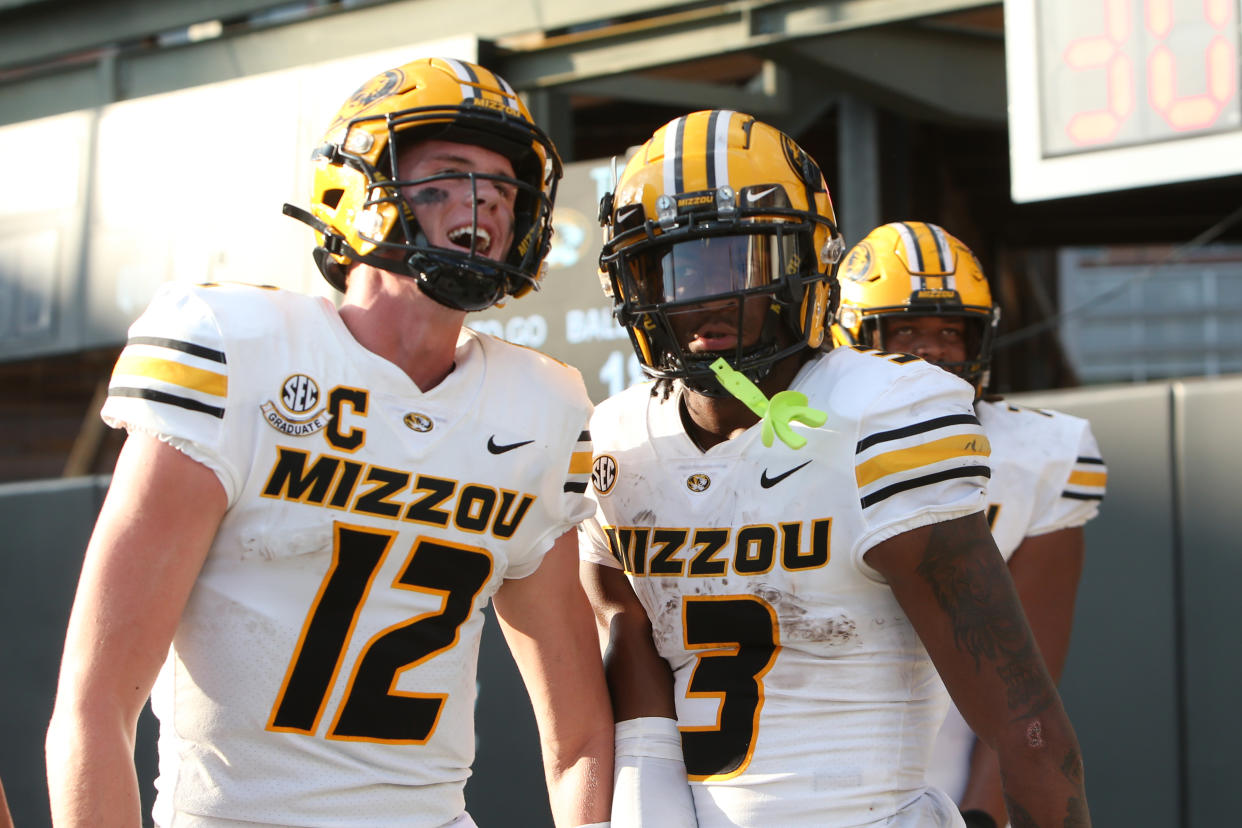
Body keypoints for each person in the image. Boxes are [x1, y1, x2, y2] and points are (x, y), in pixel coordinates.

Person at [46, 57, 612, 828]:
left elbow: (579, 736)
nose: (481, 207)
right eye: (445, 179)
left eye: (503, 188)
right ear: (356, 191)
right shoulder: (234, 353)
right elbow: (95, 704)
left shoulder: (539, 407)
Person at [578, 109, 1091, 827]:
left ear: (804, 259)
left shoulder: (881, 415)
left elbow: (1026, 725)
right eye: (671, 263)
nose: (702, 293)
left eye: (738, 258)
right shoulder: (617, 441)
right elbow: (636, 705)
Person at [834, 221, 1107, 828]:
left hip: (946, 766)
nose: (931, 351)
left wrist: (983, 813)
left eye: (951, 332)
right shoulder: (792, 446)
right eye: (905, 329)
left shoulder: (1042, 455)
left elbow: (1025, 682)